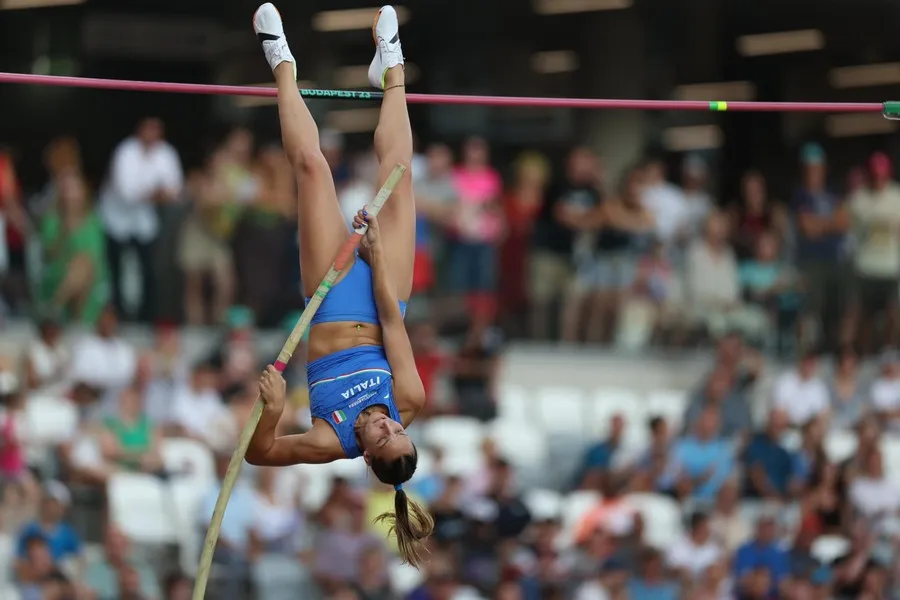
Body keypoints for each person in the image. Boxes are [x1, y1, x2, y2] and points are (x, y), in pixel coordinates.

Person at [245, 3, 432, 567]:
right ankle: (391, 69)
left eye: (381, 436)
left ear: (368, 460)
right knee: (398, 172)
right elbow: (394, 325)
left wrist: (274, 412)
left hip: (325, 302)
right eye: (397, 429)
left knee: (312, 168)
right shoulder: (408, 399)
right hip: (383, 295)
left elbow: (262, 454)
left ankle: (280, 60)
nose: (385, 422)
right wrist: (374, 255)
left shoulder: (330, 443)